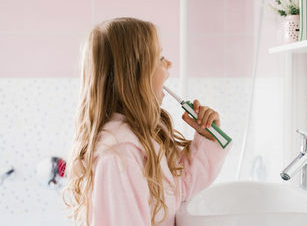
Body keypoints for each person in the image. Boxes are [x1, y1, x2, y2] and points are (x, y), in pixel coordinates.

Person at [63, 17, 232, 226]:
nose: (169, 63)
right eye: (160, 58)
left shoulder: (143, 139)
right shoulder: (119, 154)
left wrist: (206, 138)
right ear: (136, 75)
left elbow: (182, 188)